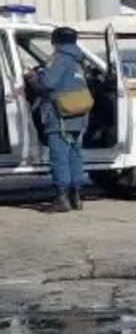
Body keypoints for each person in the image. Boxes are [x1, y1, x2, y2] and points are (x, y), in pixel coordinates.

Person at [27, 27, 92, 212]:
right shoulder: (78, 60)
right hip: (77, 115)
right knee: (74, 156)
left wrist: (32, 77)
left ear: (56, 41)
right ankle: (76, 197)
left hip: (59, 116)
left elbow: (47, 83)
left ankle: (61, 199)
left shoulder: (59, 59)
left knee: (59, 158)